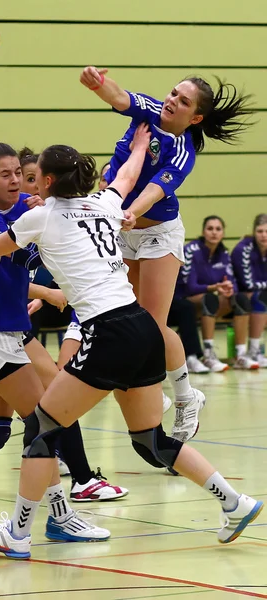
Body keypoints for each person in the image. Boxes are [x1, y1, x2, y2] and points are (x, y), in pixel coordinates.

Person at [0, 128, 262, 558]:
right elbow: (127, 178)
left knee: (40, 426)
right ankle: (233, 502)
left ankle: (17, 533)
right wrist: (142, 147)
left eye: (34, 177)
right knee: (150, 439)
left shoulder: (40, 217)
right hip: (145, 328)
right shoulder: (104, 204)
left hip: (107, 332)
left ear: (48, 182)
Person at [0, 142, 129, 542]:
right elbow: (3, 261)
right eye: (6, 174)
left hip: (8, 328)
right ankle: (60, 515)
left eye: (20, 172)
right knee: (42, 425)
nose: (16, 179)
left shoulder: (26, 211)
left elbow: (27, 257)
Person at [79, 66, 255, 442]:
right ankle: (152, 393)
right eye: (173, 93)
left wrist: (132, 211)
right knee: (125, 321)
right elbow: (119, 96)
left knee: (152, 326)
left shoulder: (183, 151)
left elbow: (156, 191)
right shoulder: (149, 110)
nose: (171, 101)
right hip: (124, 228)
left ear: (195, 117)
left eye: (183, 100)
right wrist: (97, 83)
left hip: (157, 232)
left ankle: (186, 397)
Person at [176, 215, 256, 371]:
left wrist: (229, 289)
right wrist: (214, 287)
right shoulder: (191, 250)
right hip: (186, 301)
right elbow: (189, 287)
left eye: (218, 229)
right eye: (210, 228)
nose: (214, 233)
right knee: (209, 299)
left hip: (212, 299)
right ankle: (208, 355)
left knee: (241, 299)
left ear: (223, 233)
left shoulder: (224, 254)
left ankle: (240, 355)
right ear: (203, 232)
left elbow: (232, 282)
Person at [231, 214, 267, 367]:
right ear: (254, 232)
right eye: (260, 231)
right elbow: (248, 283)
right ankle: (251, 351)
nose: (264, 235)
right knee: (260, 297)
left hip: (259, 293)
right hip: (240, 295)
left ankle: (255, 351)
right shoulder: (243, 249)